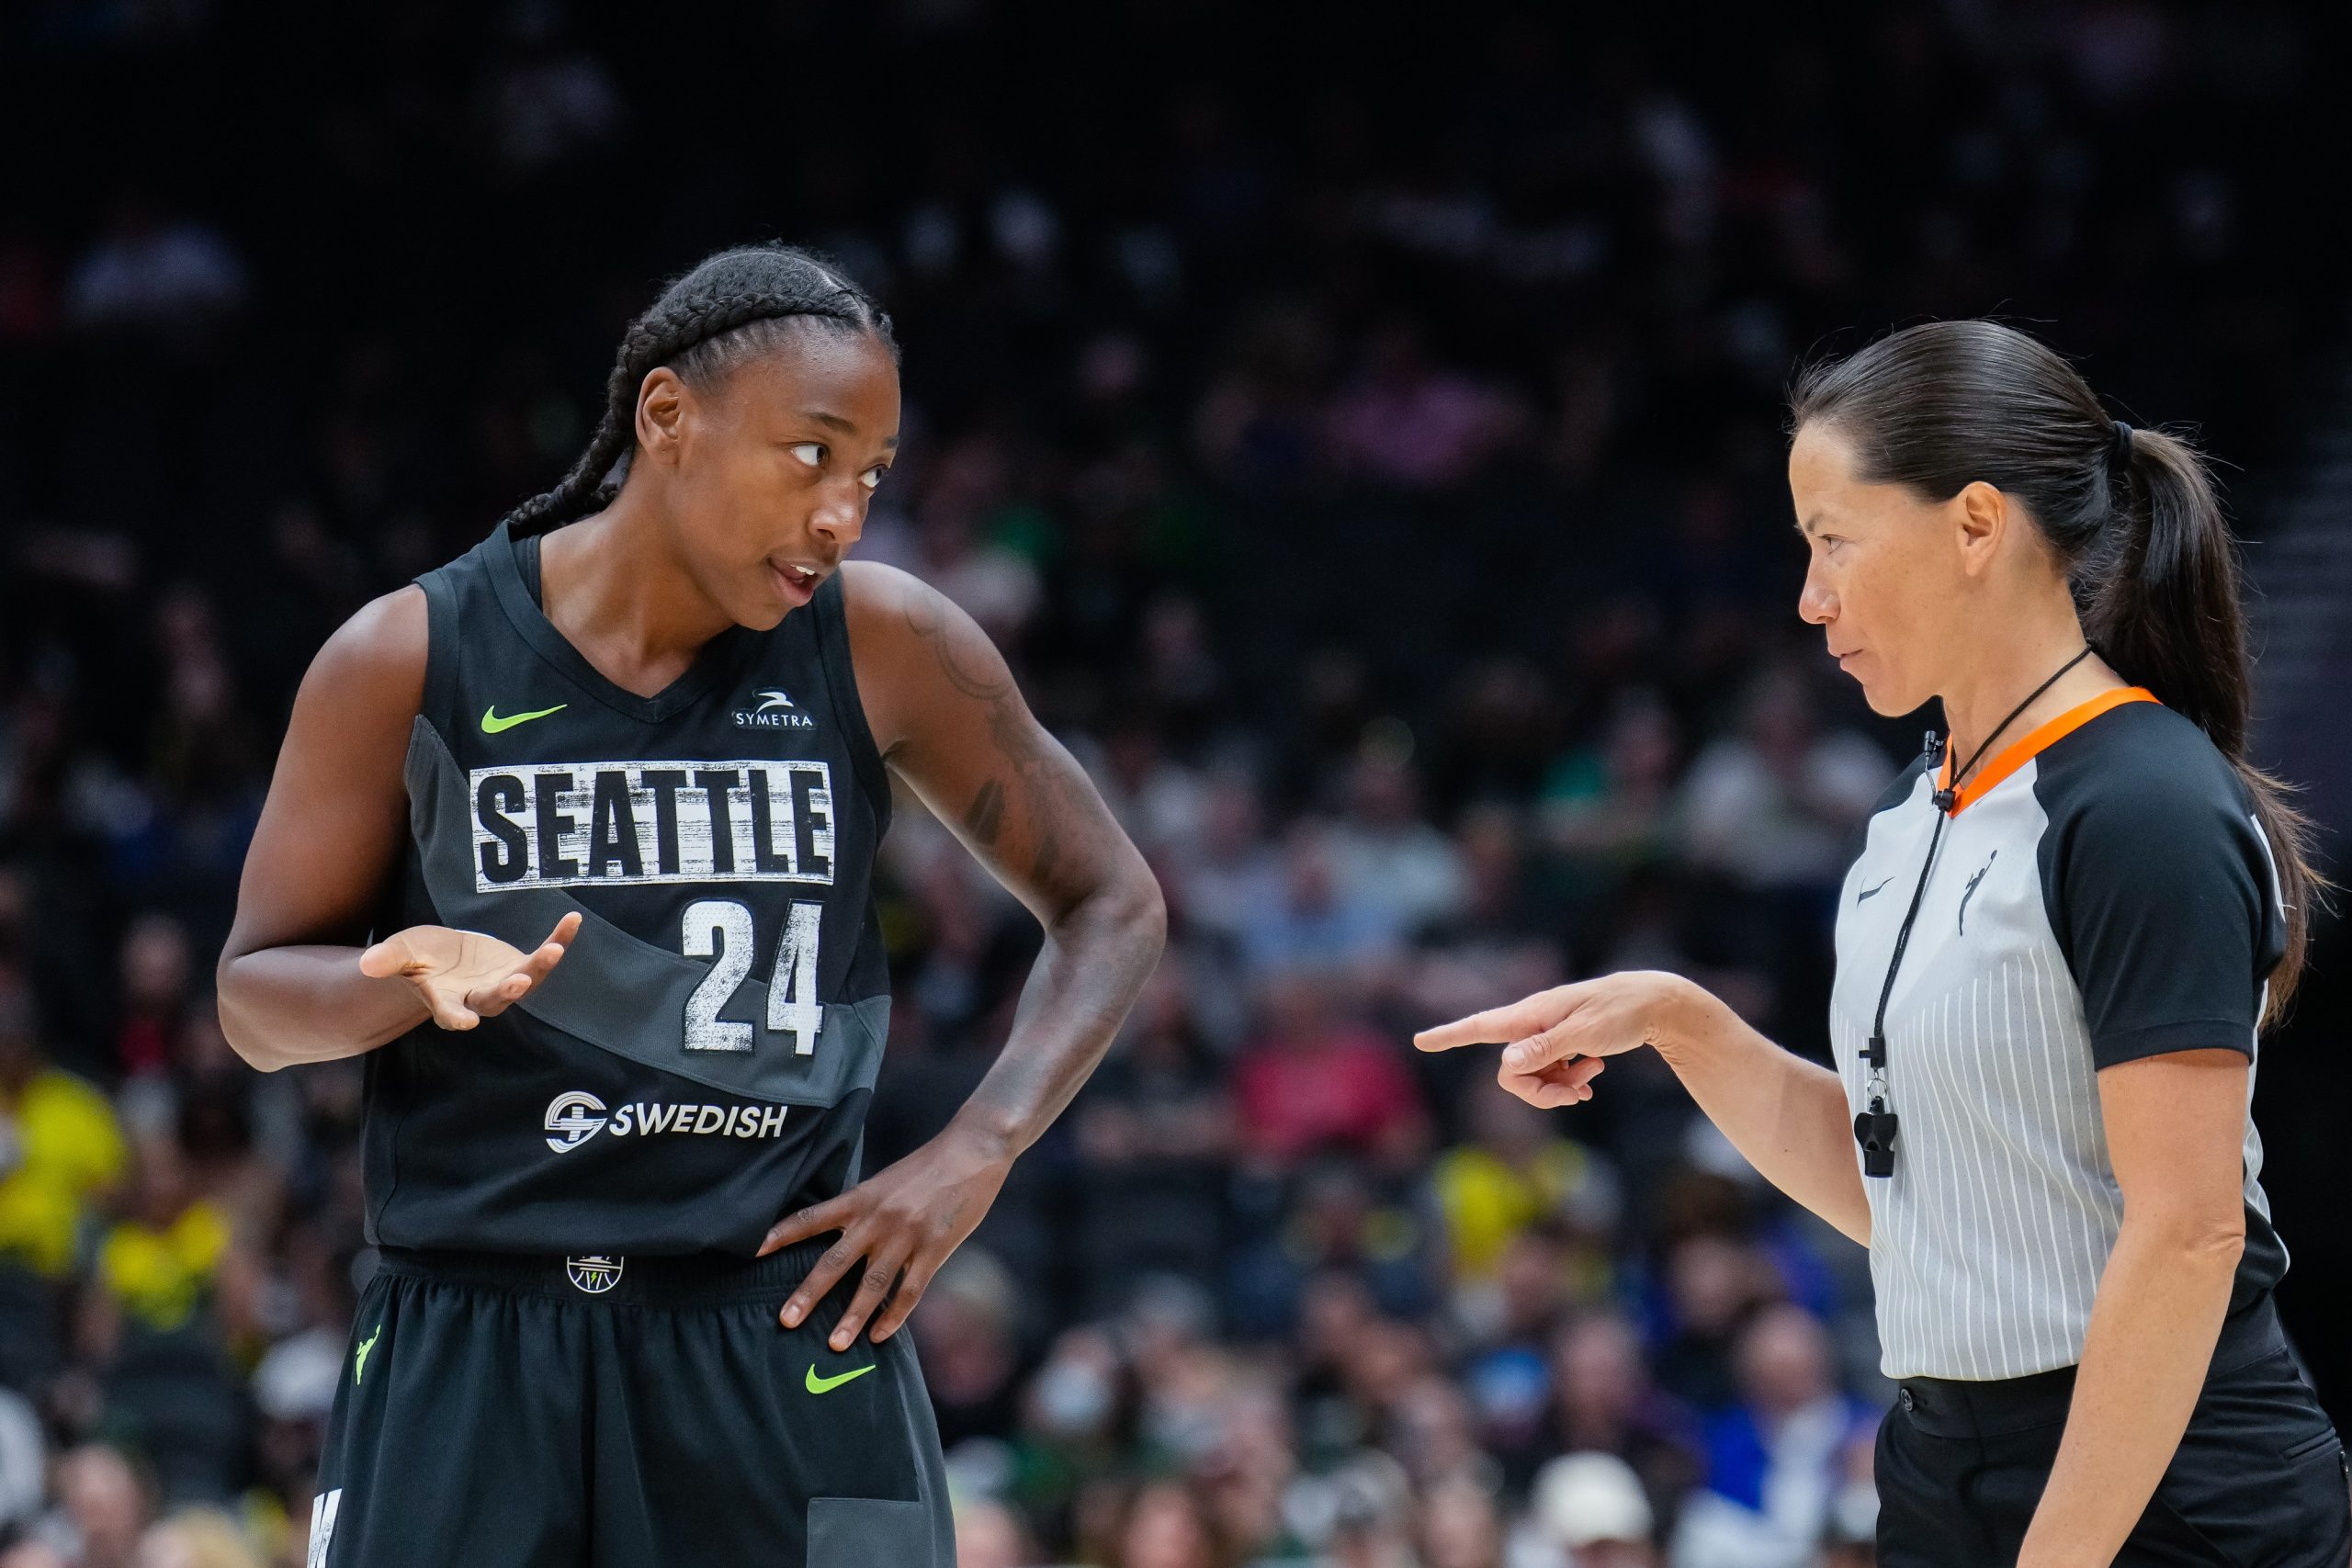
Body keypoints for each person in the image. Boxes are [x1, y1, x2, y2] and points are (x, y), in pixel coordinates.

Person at [214, 244, 1165, 1566]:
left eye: (873, 474)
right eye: (813, 455)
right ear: (667, 417)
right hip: (476, 1339)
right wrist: (392, 974)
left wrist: (980, 1149)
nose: (845, 513)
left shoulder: (883, 641)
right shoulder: (407, 657)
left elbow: (1111, 902)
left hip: (777, 1334)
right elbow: (254, 1004)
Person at [1418, 321, 2347, 1564]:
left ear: (1975, 525)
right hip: (1940, 1468)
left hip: (2161, 1484)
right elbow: (1913, 1201)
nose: (1810, 597)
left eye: (1833, 542)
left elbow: (2188, 1236)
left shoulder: (2142, 808)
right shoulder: (1917, 812)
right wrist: (1681, 1022)